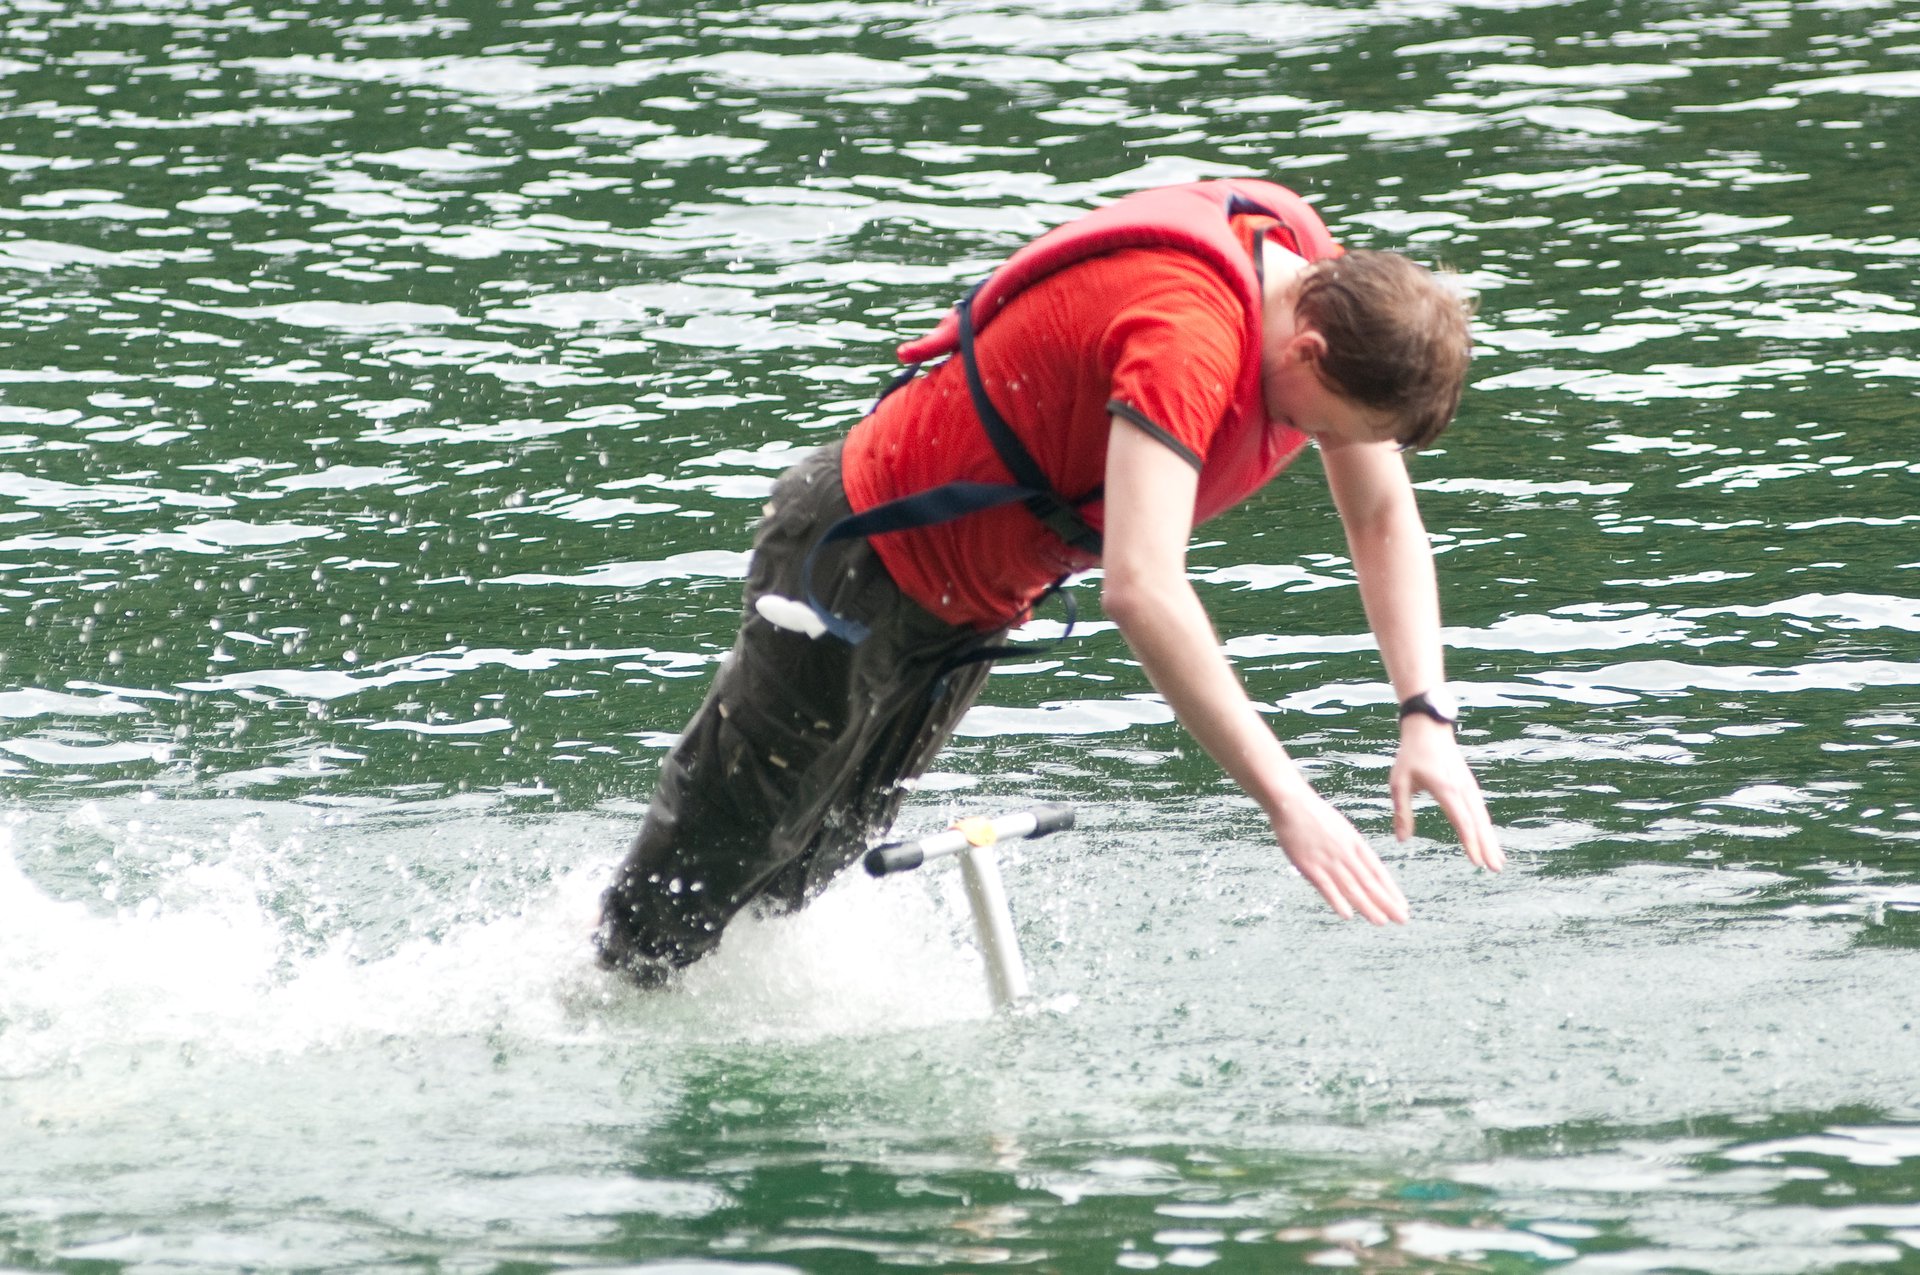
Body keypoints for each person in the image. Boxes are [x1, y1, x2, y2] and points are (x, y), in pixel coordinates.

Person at [596, 178, 1503, 985]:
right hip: (856, 559)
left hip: (965, 607)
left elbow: (1382, 516)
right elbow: (1141, 586)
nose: (1331, 448)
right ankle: (596, 1001)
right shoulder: (1189, 342)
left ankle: (684, 1002)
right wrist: (1289, 801)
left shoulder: (1312, 272)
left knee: (808, 860)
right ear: (1307, 349)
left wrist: (1425, 713)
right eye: (1329, 429)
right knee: (710, 859)